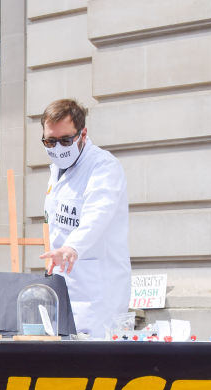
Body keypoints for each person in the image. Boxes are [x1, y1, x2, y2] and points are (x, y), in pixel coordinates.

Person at [39, 98, 130, 338]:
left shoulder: (103, 167)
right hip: (63, 285)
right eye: (50, 141)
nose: (57, 148)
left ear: (83, 133)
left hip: (97, 291)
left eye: (65, 140)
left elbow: (98, 214)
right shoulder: (56, 170)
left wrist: (72, 247)